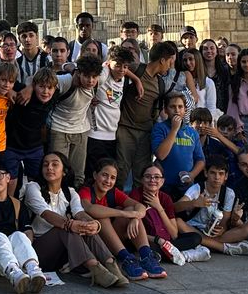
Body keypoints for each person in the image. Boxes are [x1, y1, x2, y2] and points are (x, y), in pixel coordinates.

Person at [24, 153, 125, 287]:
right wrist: (69, 225)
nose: (49, 168)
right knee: (65, 228)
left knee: (85, 227)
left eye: (55, 164)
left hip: (64, 253)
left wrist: (93, 223)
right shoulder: (33, 187)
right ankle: (95, 269)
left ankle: (111, 264)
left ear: (64, 171)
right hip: (40, 251)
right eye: (45, 164)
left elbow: (79, 212)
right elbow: (46, 213)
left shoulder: (70, 192)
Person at [0, 165, 47, 294]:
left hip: (15, 256)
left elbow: (28, 230)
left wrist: (24, 247)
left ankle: (33, 270)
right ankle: (15, 275)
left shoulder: (17, 204)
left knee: (19, 235)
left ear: (8, 178)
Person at [79, 159, 160, 279]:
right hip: (95, 241)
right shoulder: (85, 191)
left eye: (112, 178)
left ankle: (146, 256)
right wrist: (124, 214)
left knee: (131, 209)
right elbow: (90, 209)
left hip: (113, 239)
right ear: (95, 175)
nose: (108, 181)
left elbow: (140, 207)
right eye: (104, 175)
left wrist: (135, 217)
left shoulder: (114, 192)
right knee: (104, 217)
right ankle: (126, 259)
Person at [117, 41, 179, 186]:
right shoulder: (137, 68)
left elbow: (157, 108)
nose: (171, 66)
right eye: (170, 62)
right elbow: (112, 64)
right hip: (125, 128)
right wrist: (136, 79)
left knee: (142, 175)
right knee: (121, 171)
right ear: (162, 60)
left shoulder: (161, 83)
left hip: (145, 132)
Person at [129, 162, 212, 266]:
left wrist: (159, 207)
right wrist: (158, 240)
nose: (152, 180)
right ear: (141, 179)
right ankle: (181, 254)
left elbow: (173, 234)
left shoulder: (165, 198)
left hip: (167, 240)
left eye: (157, 177)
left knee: (196, 237)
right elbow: (134, 232)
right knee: (141, 246)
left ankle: (166, 254)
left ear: (162, 181)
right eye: (147, 176)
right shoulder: (135, 195)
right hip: (148, 240)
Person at [174, 155, 248, 255]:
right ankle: (223, 248)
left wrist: (221, 230)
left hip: (215, 234)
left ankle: (205, 245)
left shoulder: (229, 193)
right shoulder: (197, 188)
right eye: (213, 173)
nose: (217, 177)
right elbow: (175, 207)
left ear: (226, 176)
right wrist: (194, 203)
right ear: (206, 173)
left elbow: (224, 221)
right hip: (195, 230)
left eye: (221, 174)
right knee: (178, 222)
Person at [86, 46, 138, 182]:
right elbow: (90, 79)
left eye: (125, 67)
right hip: (95, 135)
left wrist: (137, 80)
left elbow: (125, 71)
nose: (122, 70)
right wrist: (90, 96)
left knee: (106, 176)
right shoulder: (104, 73)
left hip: (111, 137)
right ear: (109, 63)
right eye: (118, 65)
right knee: (92, 176)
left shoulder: (124, 78)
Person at [50, 54, 102, 180]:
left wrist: (137, 81)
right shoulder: (65, 81)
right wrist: (28, 89)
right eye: (87, 76)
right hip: (59, 130)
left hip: (81, 131)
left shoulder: (97, 82)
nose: (90, 81)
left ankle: (76, 198)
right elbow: (40, 80)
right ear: (79, 74)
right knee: (56, 173)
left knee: (78, 175)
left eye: (94, 77)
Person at [6, 67, 54, 187]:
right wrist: (9, 90)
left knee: (37, 182)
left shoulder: (54, 94)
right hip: (12, 146)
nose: (45, 92)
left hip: (35, 148)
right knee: (11, 181)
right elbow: (2, 80)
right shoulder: (22, 92)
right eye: (41, 87)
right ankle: (13, 204)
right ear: (35, 85)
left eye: (49, 88)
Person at [152, 93, 205, 199]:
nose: (177, 110)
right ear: (165, 110)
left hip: (186, 186)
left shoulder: (192, 133)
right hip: (165, 184)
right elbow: (161, 155)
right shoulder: (160, 128)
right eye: (172, 107)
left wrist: (192, 175)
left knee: (183, 214)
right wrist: (174, 130)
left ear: (185, 110)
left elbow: (200, 160)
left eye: (180, 107)